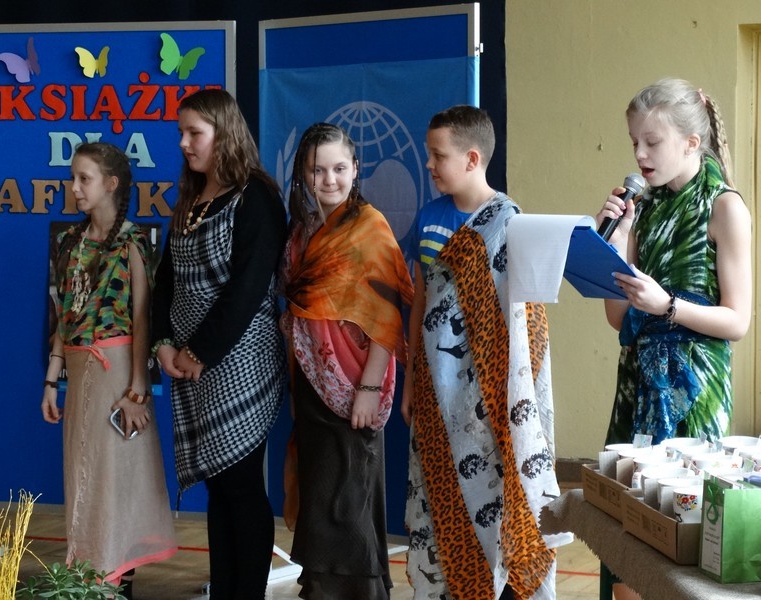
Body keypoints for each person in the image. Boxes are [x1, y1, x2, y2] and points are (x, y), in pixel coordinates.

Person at [595, 78, 751, 599]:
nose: (639, 154)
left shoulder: (724, 207)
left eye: (652, 142)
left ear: (691, 142)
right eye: (634, 142)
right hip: (638, 385)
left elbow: (738, 321)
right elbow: (618, 318)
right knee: (627, 538)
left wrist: (668, 306)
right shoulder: (643, 207)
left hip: (695, 393)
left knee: (680, 547)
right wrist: (616, 242)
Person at [401, 105, 563, 600]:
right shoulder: (429, 217)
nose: (429, 164)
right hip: (437, 396)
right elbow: (422, 300)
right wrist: (411, 381)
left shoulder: (510, 224)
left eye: (438, 155)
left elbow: (528, 328)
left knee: (501, 508)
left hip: (493, 405)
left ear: (472, 159)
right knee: (441, 504)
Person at [151, 89, 287, 600]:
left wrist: (200, 352)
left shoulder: (257, 198)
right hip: (191, 364)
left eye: (195, 133)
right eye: (181, 133)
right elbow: (166, 280)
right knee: (217, 483)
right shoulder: (190, 198)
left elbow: (248, 289)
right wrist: (164, 343)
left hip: (239, 361)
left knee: (241, 483)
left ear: (224, 134)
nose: (184, 143)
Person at [279, 123, 414, 599]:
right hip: (311, 383)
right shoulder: (301, 232)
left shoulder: (369, 227)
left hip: (356, 386)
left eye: (339, 168)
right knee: (322, 502)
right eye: (318, 170)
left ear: (355, 169)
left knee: (350, 501)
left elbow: (386, 317)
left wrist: (370, 389)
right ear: (304, 173)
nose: (329, 179)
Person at [41, 141, 177, 599]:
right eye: (73, 179)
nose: (75, 188)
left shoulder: (132, 243)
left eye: (84, 179)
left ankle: (117, 573)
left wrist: (137, 390)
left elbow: (142, 320)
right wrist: (52, 379)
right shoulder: (70, 242)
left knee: (117, 473)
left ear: (111, 184)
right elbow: (64, 316)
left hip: (117, 369)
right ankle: (89, 568)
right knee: (83, 470)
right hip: (80, 372)